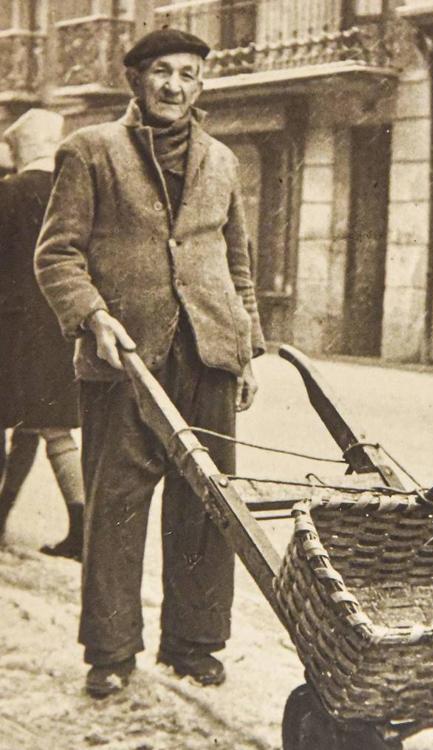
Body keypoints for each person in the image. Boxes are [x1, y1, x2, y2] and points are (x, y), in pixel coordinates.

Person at [35, 28, 265, 698]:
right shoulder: (90, 151)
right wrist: (91, 315)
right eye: (161, 71)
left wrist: (245, 346)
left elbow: (238, 261)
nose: (174, 85)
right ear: (136, 79)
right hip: (123, 356)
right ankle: (110, 651)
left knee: (209, 505)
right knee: (118, 506)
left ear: (201, 84)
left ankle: (193, 643)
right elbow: (57, 254)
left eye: (189, 74)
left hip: (208, 353)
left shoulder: (221, 160)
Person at [0, 109, 84, 561]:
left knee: (7, 422)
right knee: (51, 429)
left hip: (10, 328)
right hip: (61, 325)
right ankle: (83, 526)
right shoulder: (71, 190)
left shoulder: (9, 193)